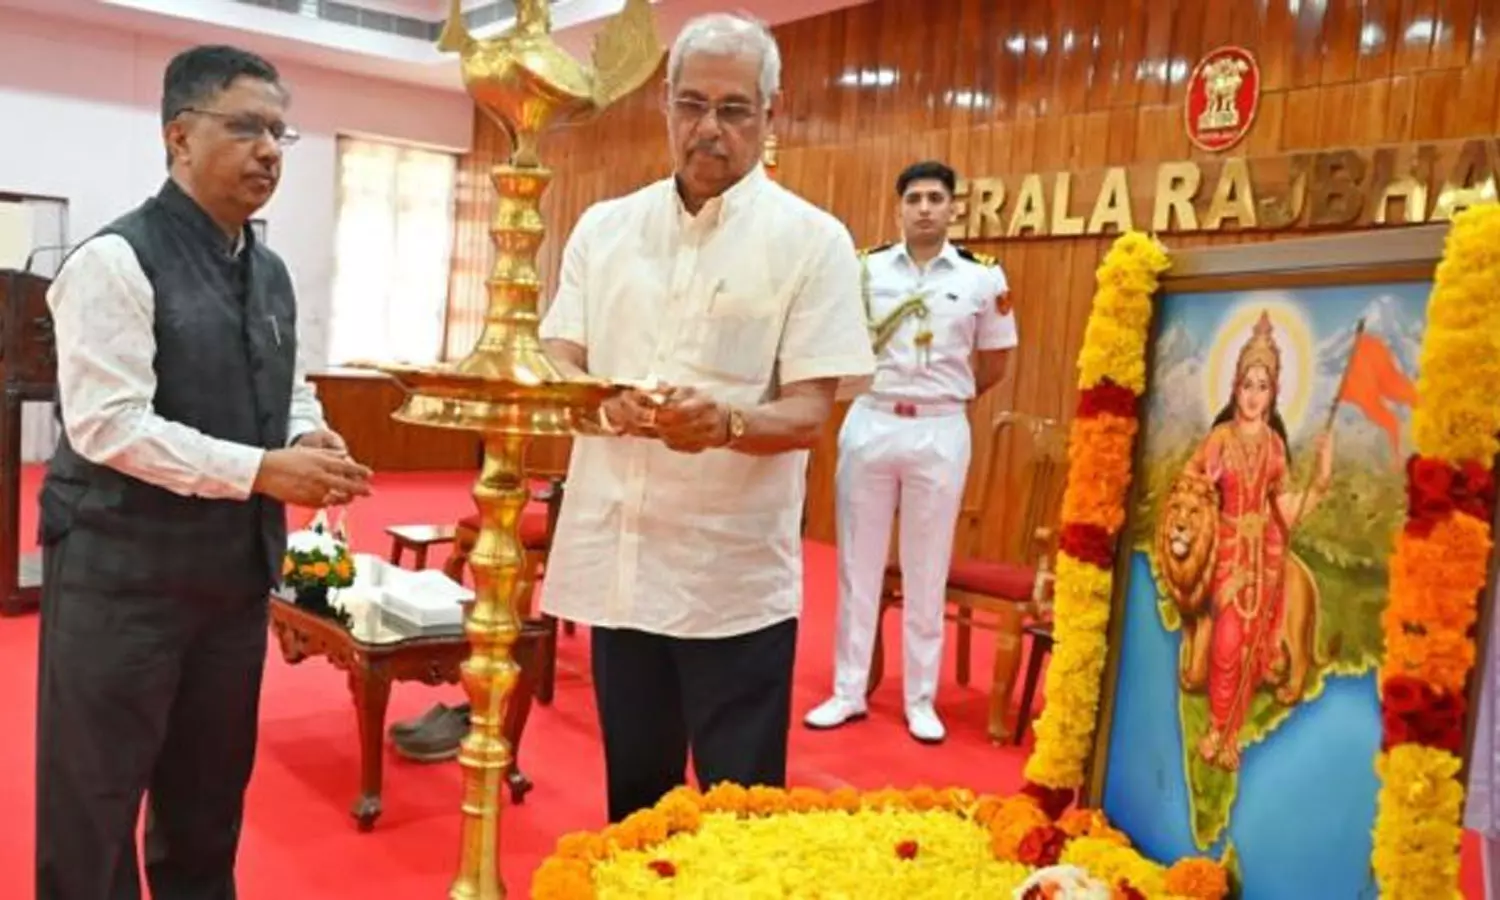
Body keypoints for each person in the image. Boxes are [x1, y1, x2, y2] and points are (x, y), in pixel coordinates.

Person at [35, 45, 372, 900]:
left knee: (208, 801)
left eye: (279, 132)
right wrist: (263, 469)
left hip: (230, 581)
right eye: (246, 127)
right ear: (178, 137)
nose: (269, 150)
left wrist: (312, 435)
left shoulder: (270, 270)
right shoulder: (114, 262)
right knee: (95, 809)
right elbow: (111, 426)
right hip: (122, 577)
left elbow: (285, 386)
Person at [536, 12, 875, 823]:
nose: (709, 129)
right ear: (665, 105)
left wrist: (725, 424)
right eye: (692, 106)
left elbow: (809, 411)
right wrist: (597, 398)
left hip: (731, 581)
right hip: (622, 565)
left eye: (733, 109)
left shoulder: (812, 241)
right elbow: (558, 354)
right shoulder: (606, 227)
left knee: (738, 815)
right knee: (638, 808)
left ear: (771, 113)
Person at [803, 160, 1016, 744]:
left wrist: (949, 394)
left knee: (927, 569)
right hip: (872, 419)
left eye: (935, 198)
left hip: (939, 430)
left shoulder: (982, 278)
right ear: (899, 209)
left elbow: (995, 360)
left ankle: (920, 698)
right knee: (857, 566)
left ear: (953, 208)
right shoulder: (865, 270)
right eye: (914, 199)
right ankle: (848, 690)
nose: (925, 208)